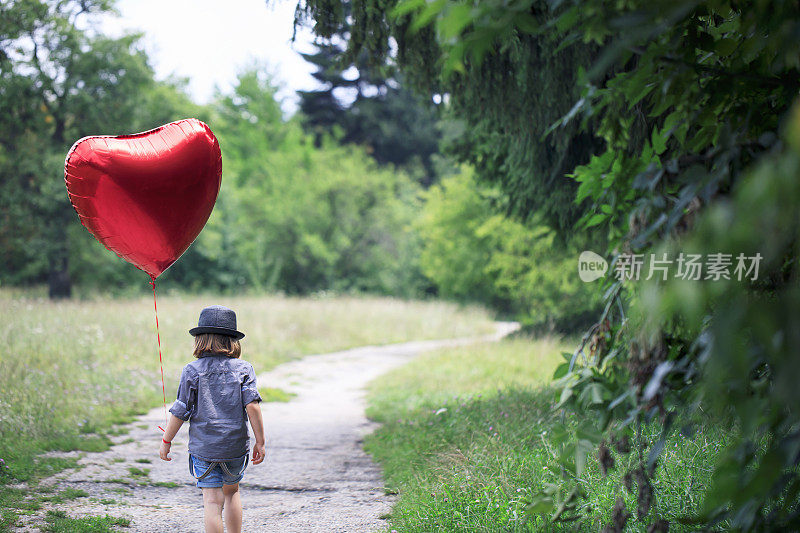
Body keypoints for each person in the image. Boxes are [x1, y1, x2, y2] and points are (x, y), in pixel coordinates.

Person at [159, 305, 266, 533]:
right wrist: (260, 441)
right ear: (233, 341)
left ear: (200, 340)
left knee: (212, 501)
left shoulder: (192, 370)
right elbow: (252, 407)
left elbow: (180, 410)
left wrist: (166, 440)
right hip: (235, 446)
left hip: (204, 448)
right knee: (232, 492)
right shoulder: (245, 369)